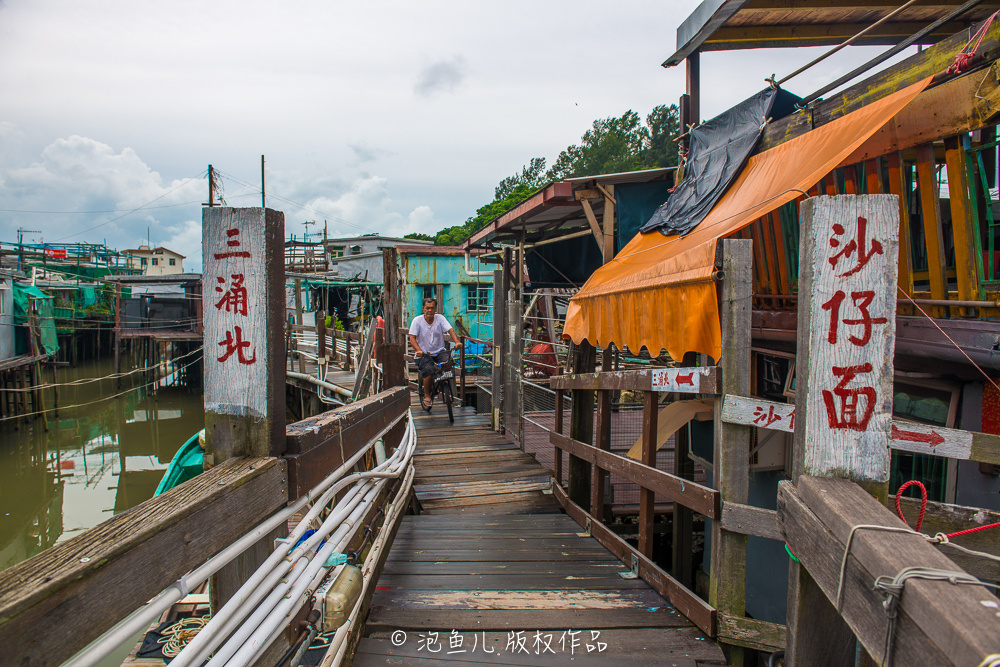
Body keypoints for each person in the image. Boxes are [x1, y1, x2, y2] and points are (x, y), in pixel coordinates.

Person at [408, 298, 462, 409]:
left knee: (448, 363)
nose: (430, 310)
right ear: (423, 309)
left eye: (432, 308)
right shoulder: (417, 321)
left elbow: (450, 330)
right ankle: (427, 395)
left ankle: (442, 382)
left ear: (436, 309)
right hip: (424, 354)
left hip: (439, 351)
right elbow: (412, 338)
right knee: (428, 371)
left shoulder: (440, 318)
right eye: (427, 308)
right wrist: (418, 350)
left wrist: (457, 341)